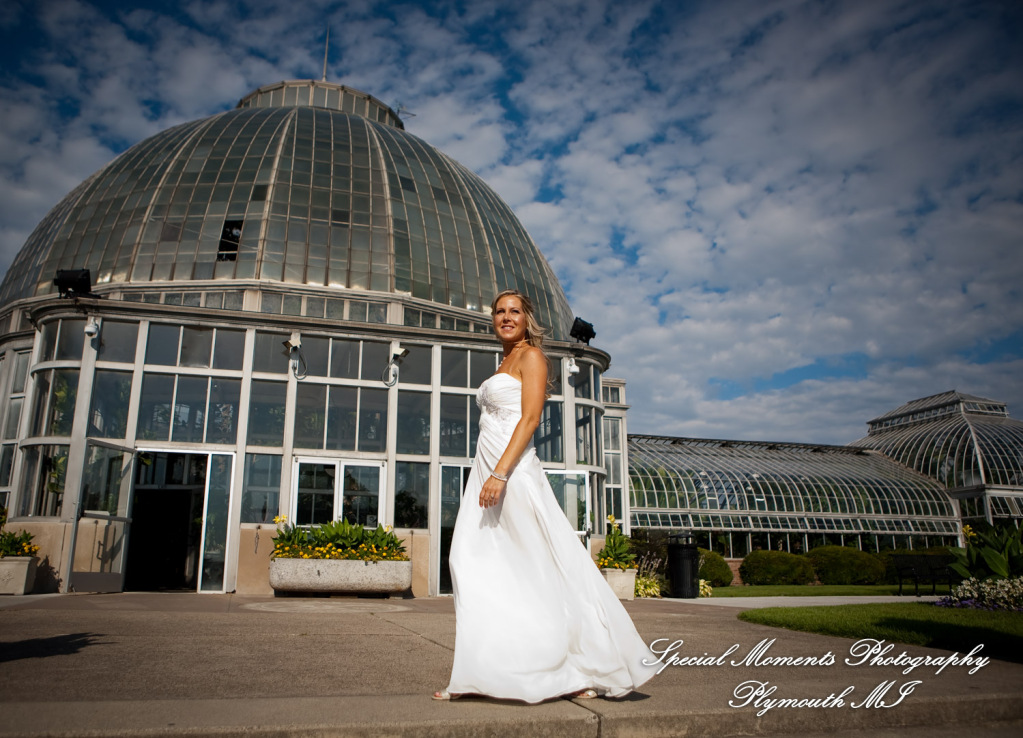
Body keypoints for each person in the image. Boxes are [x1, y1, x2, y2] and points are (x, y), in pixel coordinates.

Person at [433, 289, 657, 703]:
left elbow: (531, 418)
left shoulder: (532, 357)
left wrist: (500, 473)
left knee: (531, 566)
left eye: (514, 311)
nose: (505, 317)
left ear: (527, 318)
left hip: (511, 473)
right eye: (499, 311)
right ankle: (483, 672)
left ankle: (572, 666)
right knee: (472, 561)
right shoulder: (502, 361)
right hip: (485, 470)